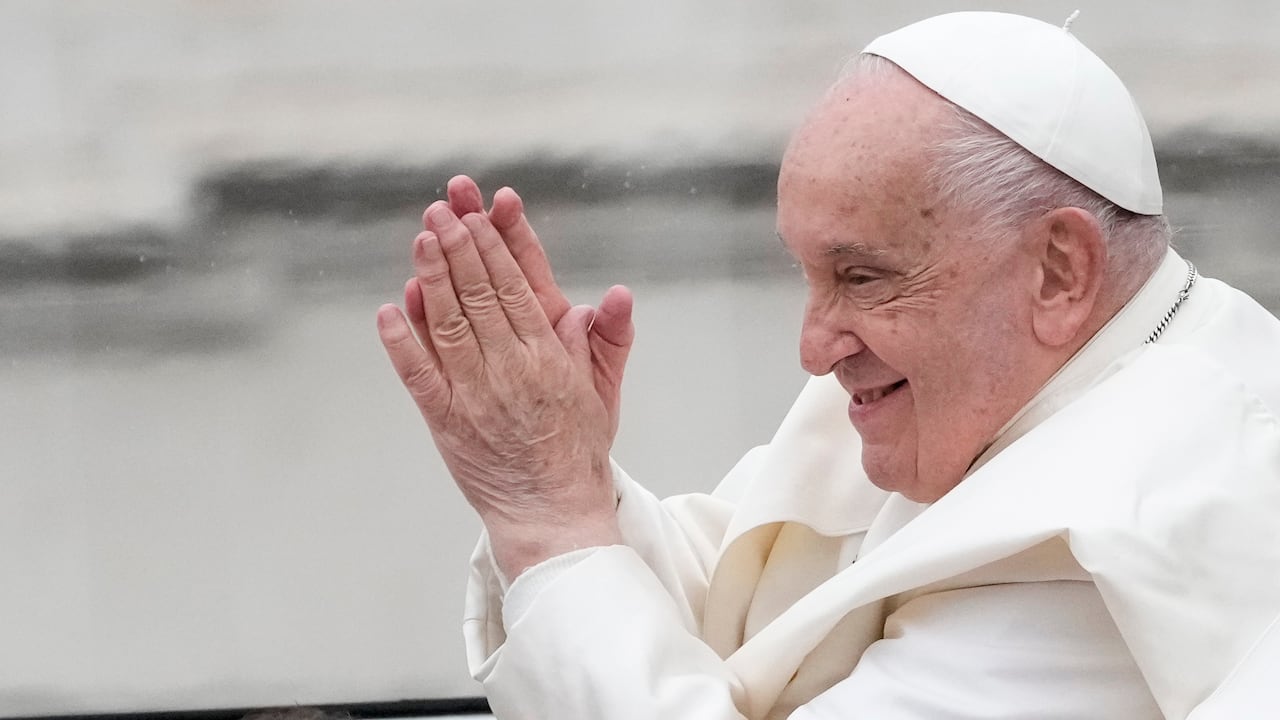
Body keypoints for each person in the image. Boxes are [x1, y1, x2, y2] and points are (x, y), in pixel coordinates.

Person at [376, 11, 1280, 720]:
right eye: (808, 276)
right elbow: (738, 594)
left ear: (1058, 272)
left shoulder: (1126, 548)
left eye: (860, 276)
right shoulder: (1009, 378)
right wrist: (567, 474)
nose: (814, 347)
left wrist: (548, 519)